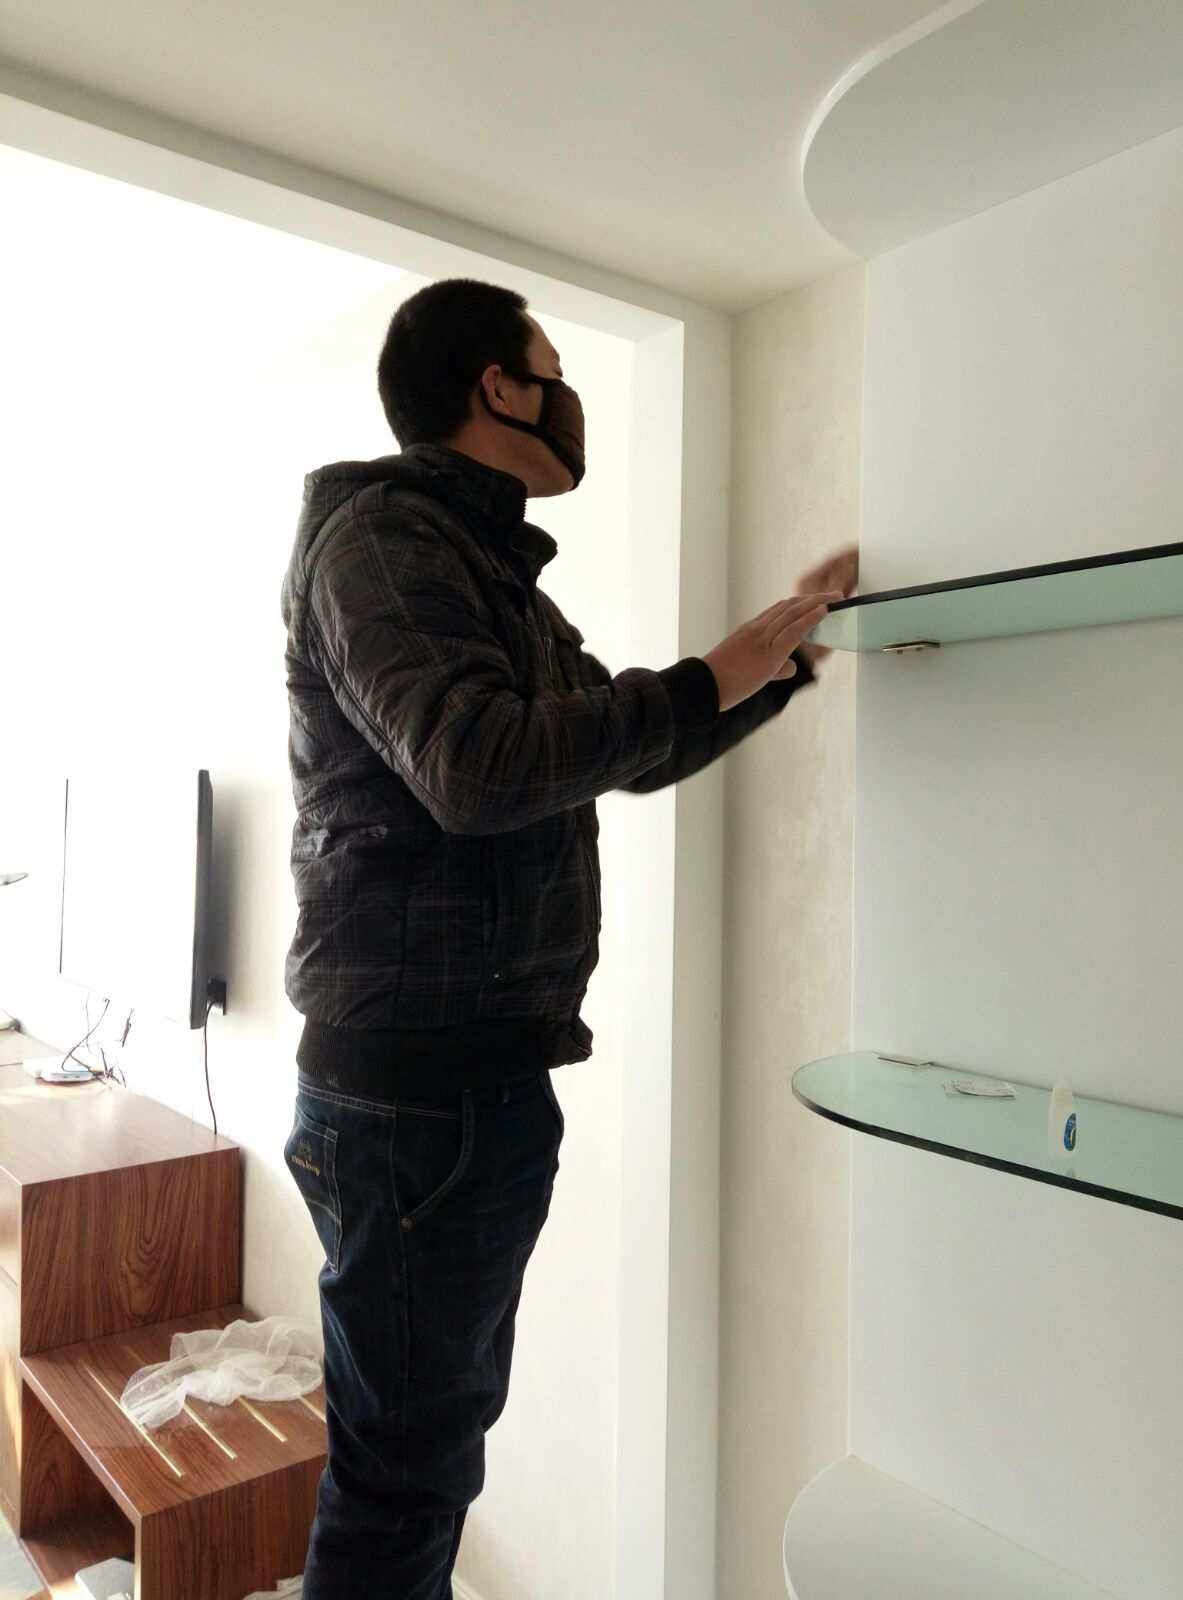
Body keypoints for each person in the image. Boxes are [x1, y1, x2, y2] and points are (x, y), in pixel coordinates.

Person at [279, 277, 858, 1598]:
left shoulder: (490, 577)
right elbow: (475, 767)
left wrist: (781, 662)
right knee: (401, 1483)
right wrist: (712, 676)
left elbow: (620, 744)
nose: (568, 396)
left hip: (462, 1095)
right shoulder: (384, 545)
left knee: (422, 1464)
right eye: (552, 367)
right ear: (499, 386)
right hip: (417, 1106)